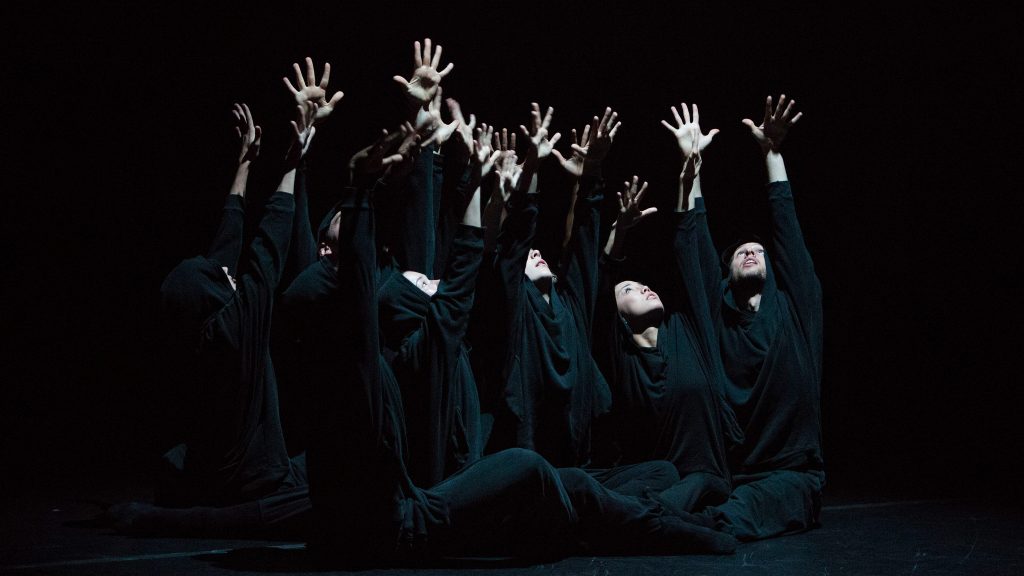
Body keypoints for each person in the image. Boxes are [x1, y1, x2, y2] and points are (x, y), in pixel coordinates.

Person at [306, 126, 736, 566]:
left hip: (434, 502)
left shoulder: (422, 354)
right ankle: (650, 526)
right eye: (420, 284)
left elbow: (463, 284)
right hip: (407, 524)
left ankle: (625, 524)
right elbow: (460, 268)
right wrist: (365, 189)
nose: (430, 282)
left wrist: (484, 180)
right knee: (531, 469)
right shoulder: (369, 356)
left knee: (629, 477)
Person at [153, 97, 317, 508]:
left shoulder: (200, 329)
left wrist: (244, 163)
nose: (228, 271)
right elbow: (266, 255)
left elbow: (223, 250)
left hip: (210, 469)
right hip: (258, 481)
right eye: (220, 277)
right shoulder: (235, 335)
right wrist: (292, 161)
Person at [594, 103, 741, 514]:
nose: (642, 285)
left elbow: (687, 246)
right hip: (652, 482)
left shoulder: (689, 331)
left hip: (708, 482)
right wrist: (617, 234)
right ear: (619, 316)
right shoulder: (620, 356)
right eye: (629, 288)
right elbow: (598, 282)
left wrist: (689, 176)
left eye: (642, 283)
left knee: (687, 491)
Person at [697, 95, 825, 541]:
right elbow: (694, 245)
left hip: (793, 476)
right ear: (726, 271)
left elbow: (786, 229)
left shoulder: (797, 312)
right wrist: (691, 169)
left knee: (738, 513)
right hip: (729, 475)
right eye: (738, 252)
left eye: (758, 250)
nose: (750, 250)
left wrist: (772, 154)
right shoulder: (718, 323)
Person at [484, 106, 616, 469]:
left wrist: (592, 173)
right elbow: (515, 242)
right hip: (526, 466)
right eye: (530, 254)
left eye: (540, 251)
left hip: (578, 463)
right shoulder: (517, 306)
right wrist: (533, 165)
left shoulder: (570, 304)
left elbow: (585, 242)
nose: (537, 252)